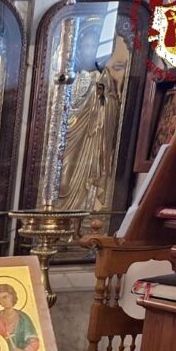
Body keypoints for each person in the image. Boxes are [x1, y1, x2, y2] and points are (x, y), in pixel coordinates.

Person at [56, 23, 122, 213]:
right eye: (85, 46)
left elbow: (112, 106)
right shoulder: (71, 77)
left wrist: (101, 99)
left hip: (91, 139)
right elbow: (61, 109)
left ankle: (82, 217)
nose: (89, 51)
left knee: (85, 177)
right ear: (78, 50)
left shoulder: (103, 78)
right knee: (63, 179)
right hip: (70, 138)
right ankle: (61, 212)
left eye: (93, 47)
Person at [0, 283, 40, 351]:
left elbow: (34, 341)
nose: (3, 301)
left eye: (5, 297)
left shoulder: (23, 318)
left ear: (12, 296)